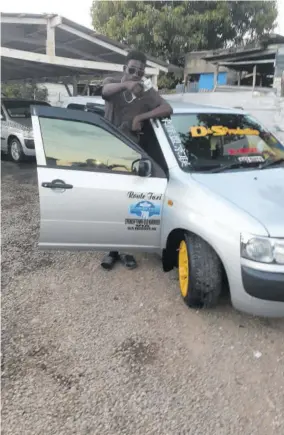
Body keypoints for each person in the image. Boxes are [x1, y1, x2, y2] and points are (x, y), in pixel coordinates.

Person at [100, 50, 173, 271]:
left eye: (140, 72)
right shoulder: (112, 83)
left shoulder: (147, 92)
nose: (135, 74)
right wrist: (126, 85)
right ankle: (111, 250)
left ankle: (126, 250)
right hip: (108, 153)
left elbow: (167, 108)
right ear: (124, 69)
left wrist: (141, 117)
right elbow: (104, 92)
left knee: (128, 203)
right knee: (110, 204)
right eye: (132, 70)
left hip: (132, 155)